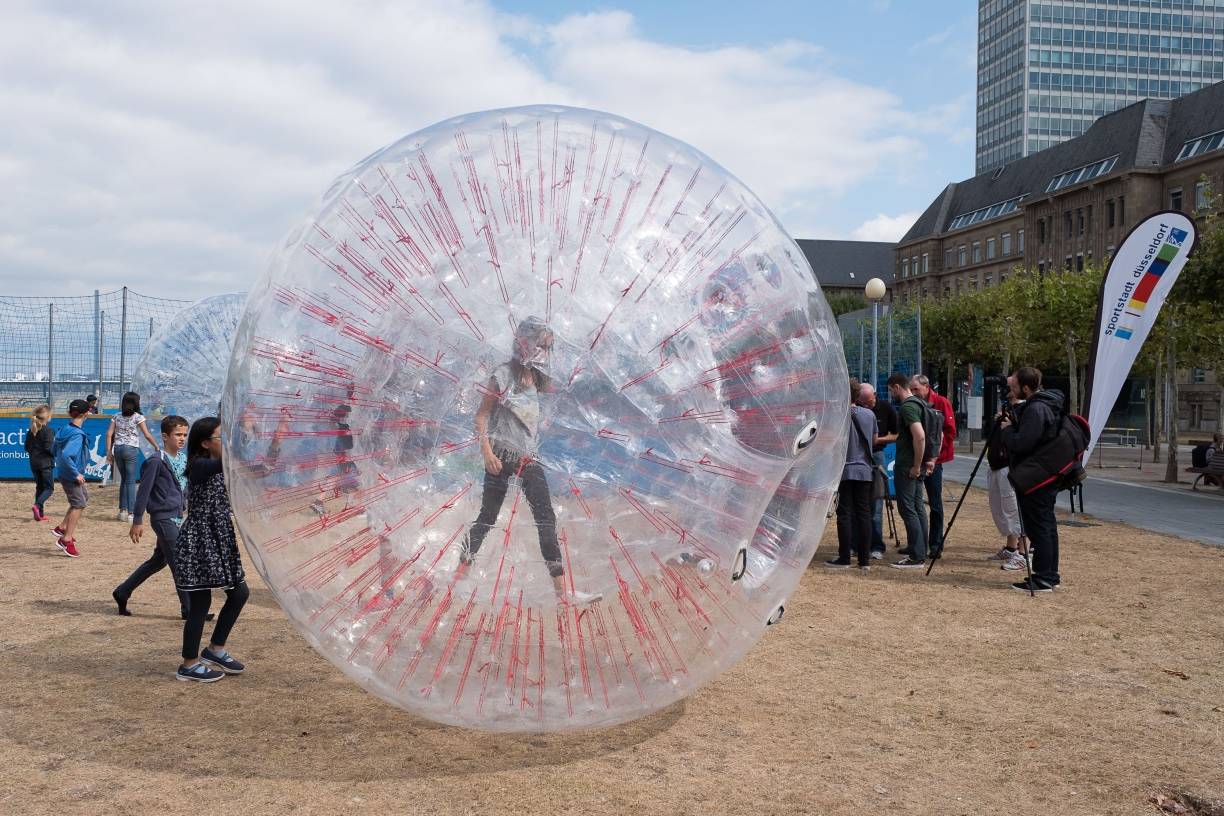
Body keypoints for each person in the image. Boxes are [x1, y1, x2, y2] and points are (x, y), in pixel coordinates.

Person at [461, 317, 600, 604]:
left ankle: (562, 593)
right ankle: (457, 577)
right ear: (525, 343)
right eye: (541, 346)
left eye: (549, 348)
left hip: (528, 458)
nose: (544, 353)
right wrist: (486, 453)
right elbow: (481, 414)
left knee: (546, 518)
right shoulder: (502, 374)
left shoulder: (537, 378)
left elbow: (566, 386)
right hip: (500, 456)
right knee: (487, 519)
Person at [112, 415, 213, 622]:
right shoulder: (156, 461)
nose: (182, 438)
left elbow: (187, 489)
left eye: (185, 434)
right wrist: (137, 520)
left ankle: (123, 591)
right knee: (180, 561)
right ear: (165, 436)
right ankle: (189, 609)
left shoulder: (184, 460)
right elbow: (144, 492)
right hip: (162, 518)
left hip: (177, 517)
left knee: (159, 561)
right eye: (178, 434)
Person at [171, 417, 250, 682]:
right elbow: (225, 462)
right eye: (221, 438)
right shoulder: (200, 466)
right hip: (200, 541)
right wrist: (244, 432)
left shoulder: (220, 469)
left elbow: (254, 467)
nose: (226, 443)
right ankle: (189, 663)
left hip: (220, 537)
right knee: (201, 603)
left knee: (239, 593)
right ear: (205, 443)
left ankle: (215, 649)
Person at [1001, 367, 1064, 592]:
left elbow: (1022, 443)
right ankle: (1049, 574)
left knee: (1039, 528)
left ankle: (1044, 577)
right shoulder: (1046, 404)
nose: (1011, 391)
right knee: (1045, 526)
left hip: (1038, 477)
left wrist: (1007, 430)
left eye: (1014, 387)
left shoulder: (1037, 408)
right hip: (1044, 474)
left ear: (1026, 388)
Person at [827, 380, 878, 570]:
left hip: (844, 470)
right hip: (864, 470)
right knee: (864, 514)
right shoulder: (869, 414)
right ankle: (864, 559)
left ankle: (844, 556)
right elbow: (873, 440)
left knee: (845, 514)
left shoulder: (837, 416)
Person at [910, 375, 956, 559]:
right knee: (915, 502)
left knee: (935, 503)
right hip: (919, 458)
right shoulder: (915, 404)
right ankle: (917, 542)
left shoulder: (941, 402)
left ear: (927, 387)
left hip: (934, 461)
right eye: (911, 389)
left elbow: (950, 430)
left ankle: (936, 543)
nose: (914, 393)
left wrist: (934, 455)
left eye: (916, 389)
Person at [886, 373, 927, 569]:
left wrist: (916, 465)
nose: (891, 394)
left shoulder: (908, 407)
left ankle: (916, 556)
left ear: (896, 387)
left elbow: (919, 436)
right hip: (915, 465)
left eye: (890, 390)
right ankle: (918, 547)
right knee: (917, 508)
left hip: (908, 466)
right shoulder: (922, 404)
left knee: (908, 509)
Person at [985, 392, 1027, 571]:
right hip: (996, 464)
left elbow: (1023, 438)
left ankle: (1024, 553)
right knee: (1001, 509)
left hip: (1009, 466)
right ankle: (1011, 547)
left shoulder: (1026, 409)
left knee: (1014, 508)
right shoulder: (1006, 408)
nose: (1007, 391)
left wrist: (1010, 422)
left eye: (1011, 386)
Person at [106, 391, 161, 522]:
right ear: (136, 403)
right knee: (130, 481)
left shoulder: (116, 416)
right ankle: (131, 513)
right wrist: (156, 446)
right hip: (130, 449)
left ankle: (122, 511)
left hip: (117, 448)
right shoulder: (138, 417)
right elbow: (147, 434)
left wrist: (109, 452)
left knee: (124, 480)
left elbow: (109, 434)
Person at [857, 384, 897, 559]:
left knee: (876, 502)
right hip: (858, 455)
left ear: (875, 395)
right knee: (856, 502)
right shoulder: (856, 409)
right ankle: (856, 544)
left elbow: (896, 434)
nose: (866, 406)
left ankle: (877, 546)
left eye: (869, 402)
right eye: (862, 403)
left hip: (877, 453)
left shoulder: (886, 408)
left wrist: (877, 439)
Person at [51, 399, 92, 557]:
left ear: (70, 413)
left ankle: (62, 527)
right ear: (86, 414)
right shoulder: (76, 434)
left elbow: (55, 449)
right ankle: (66, 540)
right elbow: (67, 455)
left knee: (83, 498)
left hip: (66, 473)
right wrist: (76, 473)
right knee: (79, 503)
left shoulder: (64, 429)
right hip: (71, 475)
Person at [24, 404, 56, 521]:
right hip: (45, 464)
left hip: (34, 463)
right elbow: (49, 448)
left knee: (40, 487)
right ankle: (37, 505)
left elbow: (26, 447)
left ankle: (40, 515)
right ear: (47, 417)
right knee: (49, 488)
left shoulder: (31, 430)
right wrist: (56, 453)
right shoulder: (48, 430)